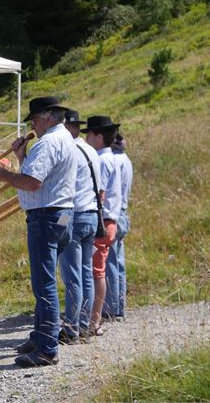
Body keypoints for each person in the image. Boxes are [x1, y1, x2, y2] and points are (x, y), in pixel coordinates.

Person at [0, 96, 76, 367]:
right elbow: (42, 177)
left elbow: (32, 182)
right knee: (45, 282)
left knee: (44, 284)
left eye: (36, 120)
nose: (34, 126)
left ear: (48, 118)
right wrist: (21, 156)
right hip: (60, 215)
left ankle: (47, 348)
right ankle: (41, 336)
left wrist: (1, 174)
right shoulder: (63, 140)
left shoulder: (48, 142)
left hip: (46, 216)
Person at [57, 110, 101, 344]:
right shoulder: (91, 151)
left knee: (72, 276)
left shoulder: (69, 151)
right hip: (92, 215)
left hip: (74, 215)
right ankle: (83, 324)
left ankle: (72, 327)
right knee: (85, 274)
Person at [82, 116, 122, 336]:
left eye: (89, 134)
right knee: (98, 270)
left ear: (98, 136)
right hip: (107, 220)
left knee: (96, 272)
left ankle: (94, 320)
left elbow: (100, 193)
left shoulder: (102, 160)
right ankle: (92, 317)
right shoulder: (110, 157)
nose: (86, 138)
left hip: (102, 221)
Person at [103, 133, 133, 321]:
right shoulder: (126, 160)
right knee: (118, 262)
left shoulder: (114, 160)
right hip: (122, 212)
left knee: (110, 263)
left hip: (114, 213)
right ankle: (119, 305)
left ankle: (111, 308)